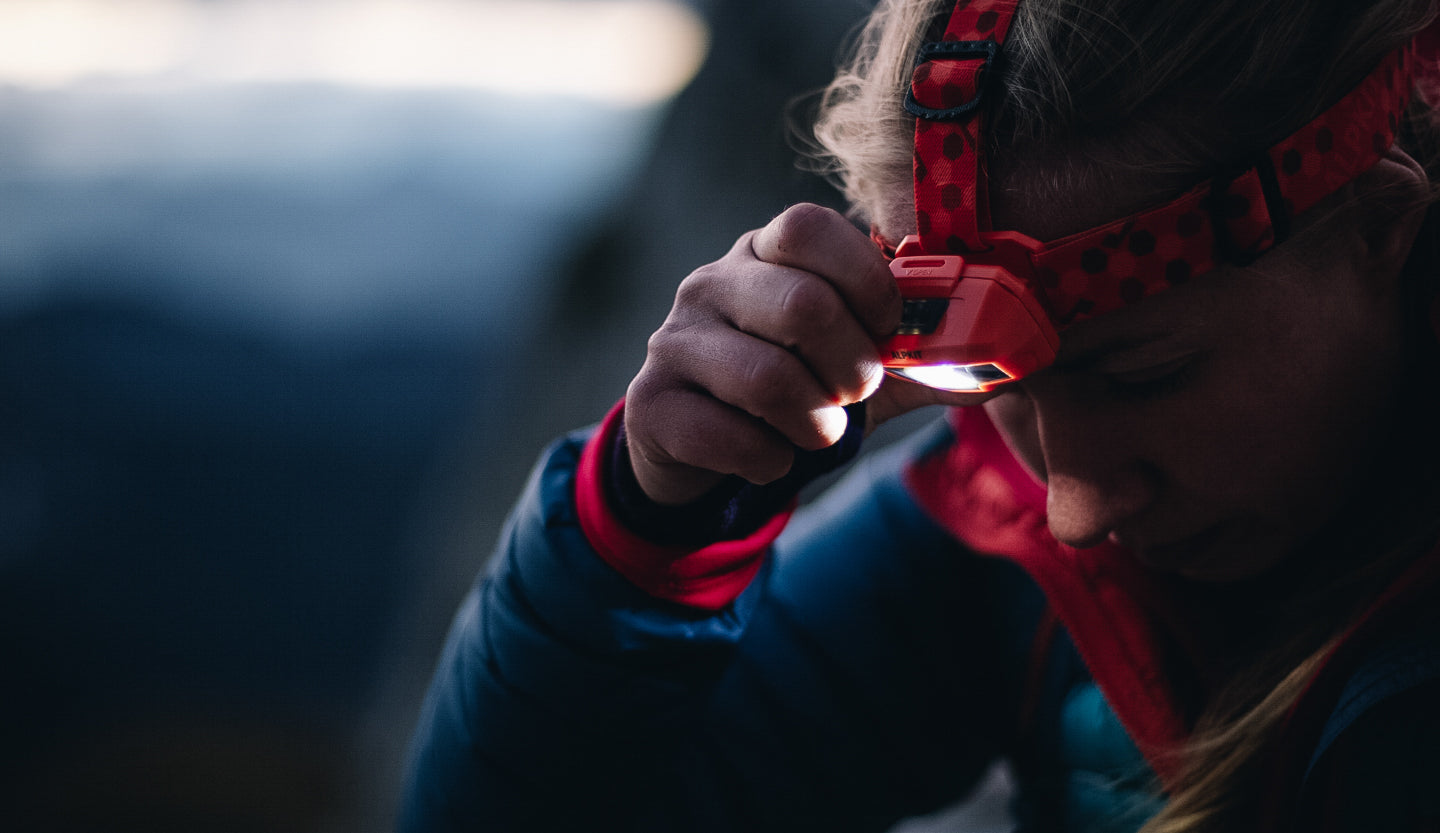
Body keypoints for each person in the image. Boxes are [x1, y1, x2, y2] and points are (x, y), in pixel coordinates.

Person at [397, 0, 1440, 830]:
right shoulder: (995, 528)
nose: (1074, 506)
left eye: (1146, 375)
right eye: (1001, 383)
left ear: (1381, 226)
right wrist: (648, 521)